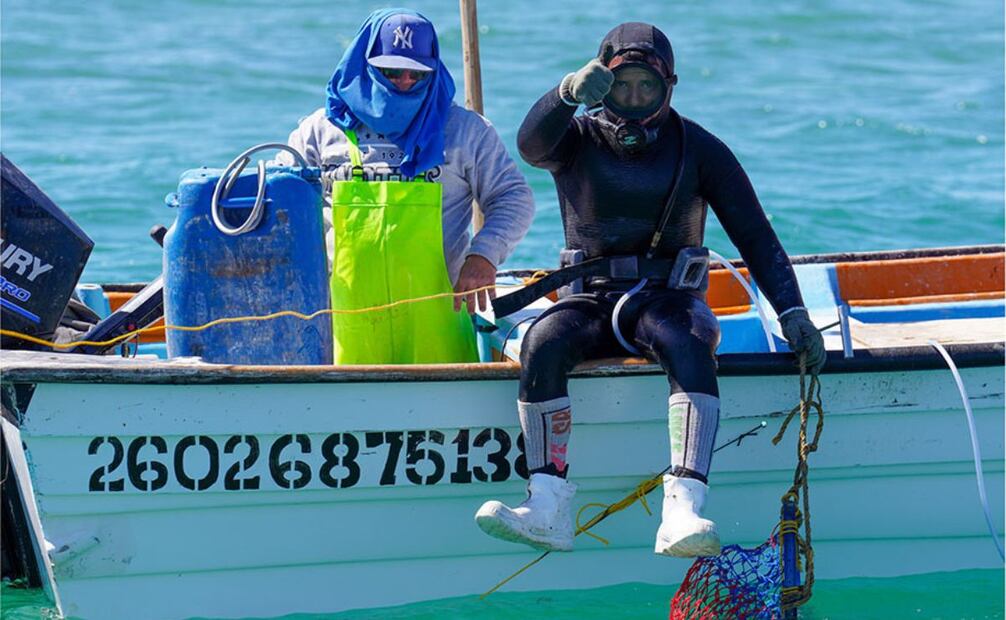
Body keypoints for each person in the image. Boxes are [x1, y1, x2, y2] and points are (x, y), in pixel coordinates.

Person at [475, 22, 825, 557]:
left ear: (670, 86)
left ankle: (683, 507)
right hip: (589, 298)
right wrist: (566, 94)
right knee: (542, 342)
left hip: (668, 301)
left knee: (690, 342)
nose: (634, 101)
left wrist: (793, 312)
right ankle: (546, 504)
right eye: (621, 87)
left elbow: (755, 235)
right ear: (600, 87)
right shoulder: (575, 140)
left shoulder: (699, 149)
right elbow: (529, 144)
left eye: (648, 88)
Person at [277, 8, 534, 364]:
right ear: (363, 62)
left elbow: (513, 197)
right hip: (340, 319)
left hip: (439, 317)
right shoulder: (320, 131)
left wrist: (484, 255)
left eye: (417, 73)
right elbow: (279, 209)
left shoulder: (466, 130)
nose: (405, 81)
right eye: (391, 71)